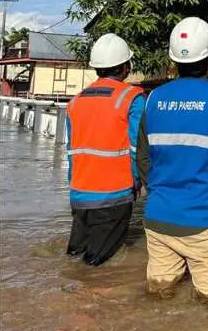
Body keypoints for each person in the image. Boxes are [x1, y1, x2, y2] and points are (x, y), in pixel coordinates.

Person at [137, 17, 208, 300]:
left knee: (159, 298)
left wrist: (161, 196)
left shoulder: (153, 100)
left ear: (174, 59)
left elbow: (143, 159)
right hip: (207, 222)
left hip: (159, 220)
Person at [63, 33, 147, 266]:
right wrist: (137, 183)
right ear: (125, 67)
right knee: (99, 266)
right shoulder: (132, 97)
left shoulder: (76, 101)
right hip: (114, 195)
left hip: (79, 194)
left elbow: (71, 150)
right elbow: (137, 148)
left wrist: (75, 186)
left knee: (76, 257)